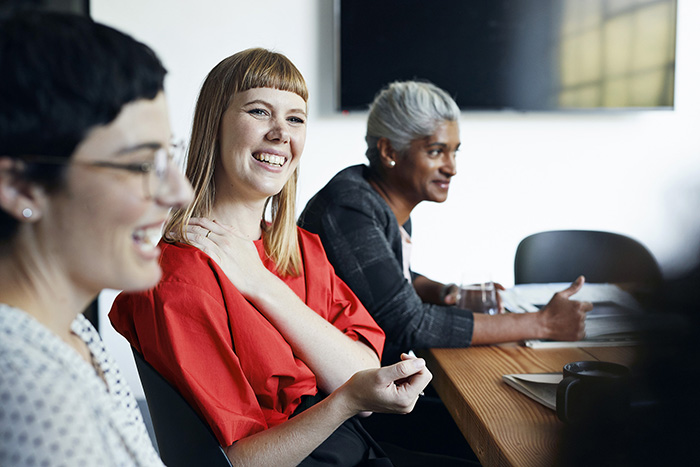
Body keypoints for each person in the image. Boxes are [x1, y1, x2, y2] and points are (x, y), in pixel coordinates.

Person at [109, 49, 435, 467]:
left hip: (355, 447)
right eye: (260, 111)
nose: (281, 133)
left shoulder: (300, 248)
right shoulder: (178, 280)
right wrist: (347, 400)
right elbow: (239, 462)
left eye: (295, 118)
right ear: (215, 126)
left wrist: (263, 286)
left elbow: (362, 369)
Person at [0, 11, 193, 466]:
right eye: (141, 165)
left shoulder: (71, 332)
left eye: (168, 156)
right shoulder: (25, 384)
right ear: (21, 187)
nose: (179, 193)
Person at [299, 80, 593, 365]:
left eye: (454, 151)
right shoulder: (350, 208)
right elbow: (409, 324)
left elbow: (389, 282)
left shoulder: (379, 201)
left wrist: (446, 293)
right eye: (436, 151)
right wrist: (542, 323)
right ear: (389, 152)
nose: (452, 168)